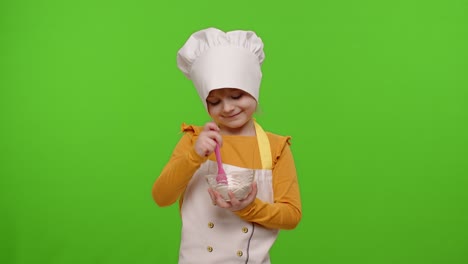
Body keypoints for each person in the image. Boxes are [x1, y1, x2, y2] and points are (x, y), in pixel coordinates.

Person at [152, 27, 302, 264]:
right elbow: (161, 197)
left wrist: (249, 207)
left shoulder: (276, 148)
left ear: (253, 89)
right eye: (215, 101)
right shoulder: (194, 140)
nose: (228, 108)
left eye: (236, 96)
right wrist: (194, 156)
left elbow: (291, 216)